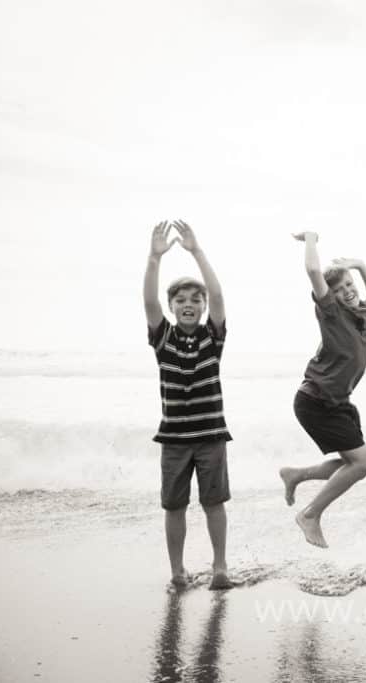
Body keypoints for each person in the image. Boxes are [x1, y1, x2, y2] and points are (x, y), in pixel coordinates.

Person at [279, 231, 366, 548]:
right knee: (363, 463)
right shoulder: (332, 313)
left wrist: (361, 266)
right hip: (316, 401)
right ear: (331, 297)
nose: (347, 292)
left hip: (338, 402)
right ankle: (310, 514)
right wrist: (311, 240)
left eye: (350, 285)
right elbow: (313, 272)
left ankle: (296, 475)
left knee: (352, 465)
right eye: (339, 290)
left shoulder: (364, 315)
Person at [143, 220, 233, 590]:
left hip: (211, 436)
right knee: (174, 507)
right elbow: (149, 301)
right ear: (172, 308)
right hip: (174, 440)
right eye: (180, 300)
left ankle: (220, 567)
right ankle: (178, 571)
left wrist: (197, 251)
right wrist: (154, 258)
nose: (189, 304)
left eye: (196, 300)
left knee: (214, 504)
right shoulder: (163, 338)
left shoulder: (213, 337)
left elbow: (219, 296)